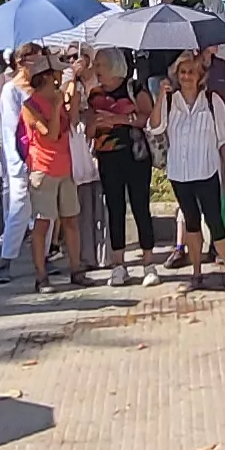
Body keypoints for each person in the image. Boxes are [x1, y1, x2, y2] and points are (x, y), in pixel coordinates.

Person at [156, 46, 225, 291]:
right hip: (180, 173)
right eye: (182, 72)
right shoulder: (170, 101)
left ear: (200, 74)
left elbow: (224, 140)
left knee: (216, 223)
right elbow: (155, 127)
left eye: (191, 71)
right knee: (191, 223)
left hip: (207, 170)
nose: (186, 76)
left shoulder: (213, 101)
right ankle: (196, 274)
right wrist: (161, 95)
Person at [85, 51, 161, 284]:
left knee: (140, 206)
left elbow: (148, 119)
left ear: (114, 65)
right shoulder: (94, 94)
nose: (96, 68)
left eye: (101, 64)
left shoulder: (134, 88)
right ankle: (118, 265)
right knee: (114, 209)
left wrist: (118, 120)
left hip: (136, 155)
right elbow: (88, 130)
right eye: (95, 64)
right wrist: (94, 123)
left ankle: (149, 264)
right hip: (107, 157)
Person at [16, 63, 86, 292]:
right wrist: (56, 108)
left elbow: (72, 120)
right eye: (54, 75)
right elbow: (51, 133)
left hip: (66, 167)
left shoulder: (59, 99)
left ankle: (76, 269)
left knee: (71, 220)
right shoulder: (30, 106)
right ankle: (41, 277)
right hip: (43, 170)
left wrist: (73, 86)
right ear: (45, 78)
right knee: (43, 223)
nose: (58, 78)